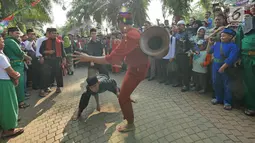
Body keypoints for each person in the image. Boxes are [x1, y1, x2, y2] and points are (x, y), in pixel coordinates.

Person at [73, 7, 149, 132]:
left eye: (117, 23)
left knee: (122, 97)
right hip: (134, 68)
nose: (117, 26)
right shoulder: (132, 32)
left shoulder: (130, 36)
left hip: (137, 70)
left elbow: (110, 58)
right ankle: (126, 97)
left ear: (121, 23)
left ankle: (130, 124)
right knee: (123, 94)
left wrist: (88, 58)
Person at [208, 28, 240, 110]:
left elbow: (231, 58)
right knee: (216, 82)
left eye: (224, 36)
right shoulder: (217, 44)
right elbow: (209, 51)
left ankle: (227, 102)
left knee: (227, 84)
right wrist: (210, 43)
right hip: (215, 65)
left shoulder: (233, 46)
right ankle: (219, 99)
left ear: (230, 37)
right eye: (221, 35)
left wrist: (223, 67)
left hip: (226, 67)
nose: (222, 37)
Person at [0, 34, 24, 138]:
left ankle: (8, 123)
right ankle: (9, 129)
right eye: (2, 41)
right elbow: (11, 71)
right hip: (4, 83)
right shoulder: (1, 56)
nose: (4, 43)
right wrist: (17, 76)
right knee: (9, 106)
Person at [3, 27, 32, 109]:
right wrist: (28, 57)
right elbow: (19, 52)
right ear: (10, 33)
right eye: (17, 33)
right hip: (17, 65)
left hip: (14, 64)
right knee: (19, 84)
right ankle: (21, 102)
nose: (18, 35)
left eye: (19, 33)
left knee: (17, 83)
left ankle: (18, 102)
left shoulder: (8, 41)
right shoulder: (10, 41)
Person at [236, 2, 255, 116]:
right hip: (247, 56)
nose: (253, 8)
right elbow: (239, 38)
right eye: (252, 6)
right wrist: (238, 57)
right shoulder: (244, 22)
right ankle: (251, 106)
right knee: (249, 83)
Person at [39, 28, 66, 96]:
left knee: (58, 74)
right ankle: (43, 89)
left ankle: (58, 87)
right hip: (47, 60)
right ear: (49, 34)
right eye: (53, 33)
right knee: (45, 74)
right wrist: (48, 52)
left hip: (57, 60)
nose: (54, 34)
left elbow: (63, 52)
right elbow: (41, 51)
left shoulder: (60, 42)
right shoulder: (44, 42)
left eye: (55, 33)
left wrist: (64, 59)